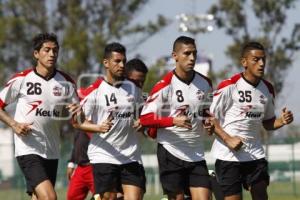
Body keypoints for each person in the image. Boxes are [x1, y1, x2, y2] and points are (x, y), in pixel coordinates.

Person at [209, 41, 294, 200]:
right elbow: (208, 116)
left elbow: (268, 122)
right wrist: (229, 139)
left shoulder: (267, 89)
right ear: (244, 62)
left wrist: (281, 121)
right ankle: (213, 182)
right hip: (229, 156)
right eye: (256, 59)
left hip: (255, 155)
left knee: (261, 195)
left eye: (263, 59)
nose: (261, 64)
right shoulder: (229, 86)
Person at [0, 33, 78, 200]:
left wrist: (79, 112)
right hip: (28, 148)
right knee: (50, 197)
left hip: (52, 150)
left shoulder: (66, 82)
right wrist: (14, 124)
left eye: (55, 50)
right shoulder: (22, 79)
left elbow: (78, 118)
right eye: (47, 50)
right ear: (36, 54)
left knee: (38, 197)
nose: (52, 54)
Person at [68, 43, 146, 200]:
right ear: (106, 63)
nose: (122, 65)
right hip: (104, 155)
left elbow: (142, 113)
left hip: (130, 155)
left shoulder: (134, 88)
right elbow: (77, 123)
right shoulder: (94, 91)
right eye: (117, 61)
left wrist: (142, 122)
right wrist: (98, 127)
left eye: (124, 61)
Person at [140, 36, 212, 200]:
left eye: (194, 53)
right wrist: (173, 121)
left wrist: (208, 121)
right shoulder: (165, 85)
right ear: (175, 56)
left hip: (195, 153)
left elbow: (206, 111)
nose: (192, 58)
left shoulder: (205, 83)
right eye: (187, 53)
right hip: (170, 152)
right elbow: (145, 118)